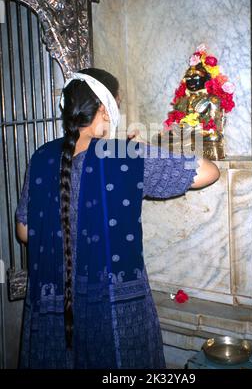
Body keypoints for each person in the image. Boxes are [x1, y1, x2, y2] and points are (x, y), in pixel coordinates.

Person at [15, 68, 220, 369]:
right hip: (114, 308)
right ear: (104, 107)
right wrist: (136, 150)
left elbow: (24, 232)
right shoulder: (123, 154)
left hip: (51, 306)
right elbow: (208, 171)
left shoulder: (41, 156)